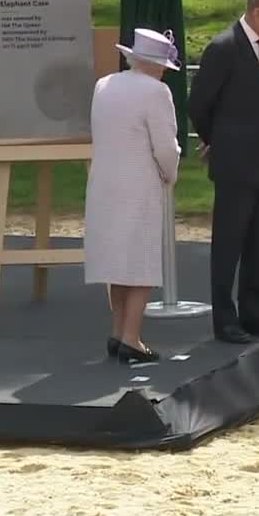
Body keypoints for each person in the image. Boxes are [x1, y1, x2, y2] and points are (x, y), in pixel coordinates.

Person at [188, 0, 259, 344]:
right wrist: (215, 140)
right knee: (229, 244)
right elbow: (198, 103)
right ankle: (225, 320)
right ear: (257, 12)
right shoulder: (224, 48)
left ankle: (255, 314)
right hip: (235, 164)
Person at [84, 28, 182, 364]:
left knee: (116, 260)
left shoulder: (104, 85)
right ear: (157, 64)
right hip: (138, 183)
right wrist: (171, 174)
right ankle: (131, 336)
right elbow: (166, 147)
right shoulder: (156, 92)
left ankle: (117, 331)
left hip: (104, 182)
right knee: (141, 261)